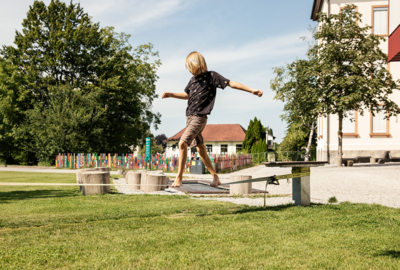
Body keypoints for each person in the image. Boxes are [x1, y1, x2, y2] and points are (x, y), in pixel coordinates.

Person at [162, 51, 263, 187]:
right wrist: (171, 94)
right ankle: (215, 177)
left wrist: (251, 90)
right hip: (189, 118)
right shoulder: (192, 80)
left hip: (199, 117)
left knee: (182, 143)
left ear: (198, 64)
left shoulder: (211, 76)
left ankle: (178, 177)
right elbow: (187, 95)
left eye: (190, 67)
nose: (189, 71)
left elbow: (231, 83)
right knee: (200, 148)